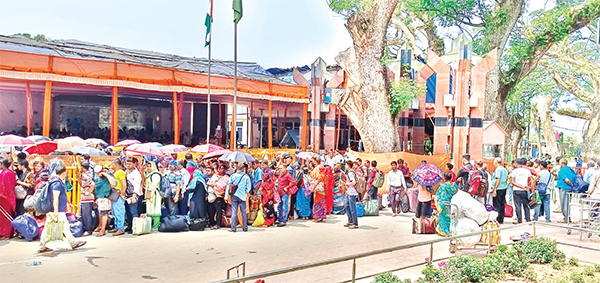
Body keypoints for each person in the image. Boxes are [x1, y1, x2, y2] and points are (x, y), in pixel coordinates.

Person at [38, 163, 86, 253]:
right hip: (57, 210)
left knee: (50, 227)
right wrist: (56, 210)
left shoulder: (54, 182)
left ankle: (42, 245)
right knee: (64, 226)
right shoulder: (57, 184)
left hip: (55, 210)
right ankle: (73, 242)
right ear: (64, 172)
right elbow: (56, 197)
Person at [225, 163, 251, 232]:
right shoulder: (246, 177)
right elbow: (248, 188)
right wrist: (245, 192)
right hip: (243, 196)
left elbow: (228, 185)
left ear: (236, 168)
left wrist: (226, 196)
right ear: (243, 169)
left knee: (234, 211)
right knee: (243, 212)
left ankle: (233, 228)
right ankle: (245, 227)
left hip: (234, 196)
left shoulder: (233, 176)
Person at [509, 158, 533, 223]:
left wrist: (521, 186)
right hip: (525, 190)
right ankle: (528, 219)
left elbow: (513, 182)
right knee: (526, 205)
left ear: (517, 164)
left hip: (516, 190)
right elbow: (532, 181)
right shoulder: (527, 171)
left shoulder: (514, 171)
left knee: (518, 205)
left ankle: (519, 219)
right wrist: (531, 189)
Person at [93, 165, 115, 237]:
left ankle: (103, 230)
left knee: (104, 213)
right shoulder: (96, 177)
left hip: (104, 197)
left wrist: (106, 175)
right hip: (98, 197)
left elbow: (113, 183)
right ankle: (100, 226)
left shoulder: (108, 175)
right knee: (100, 213)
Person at [435, 172, 458, 236]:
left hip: (443, 204)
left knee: (443, 217)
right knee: (451, 218)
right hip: (453, 204)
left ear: (444, 178)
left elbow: (438, 195)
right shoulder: (454, 184)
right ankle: (450, 231)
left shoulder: (443, 186)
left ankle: (444, 231)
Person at [109, 159, 127, 236]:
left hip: (118, 194)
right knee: (115, 211)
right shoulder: (116, 172)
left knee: (119, 211)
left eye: (113, 164)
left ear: (115, 164)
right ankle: (117, 227)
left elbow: (124, 184)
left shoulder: (121, 172)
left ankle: (120, 228)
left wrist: (122, 193)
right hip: (115, 194)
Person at [125, 157, 142, 233]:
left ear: (134, 164)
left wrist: (134, 196)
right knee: (128, 212)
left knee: (133, 211)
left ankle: (135, 227)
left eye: (130, 163)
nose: (128, 165)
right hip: (127, 194)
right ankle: (130, 226)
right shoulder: (126, 171)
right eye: (127, 163)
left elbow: (137, 185)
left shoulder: (136, 173)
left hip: (133, 194)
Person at [0, 159, 16, 239]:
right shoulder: (10, 172)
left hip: (4, 197)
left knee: (5, 217)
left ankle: (6, 234)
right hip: (8, 196)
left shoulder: (6, 173)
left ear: (3, 164)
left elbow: (5, 187)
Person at [556, 158, 576, 223]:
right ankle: (568, 217)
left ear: (561, 163)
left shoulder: (562, 170)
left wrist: (570, 184)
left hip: (564, 188)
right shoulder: (571, 169)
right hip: (570, 188)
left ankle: (566, 218)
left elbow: (566, 180)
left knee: (564, 204)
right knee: (568, 203)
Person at [143, 162, 162, 229]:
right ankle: (151, 225)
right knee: (150, 209)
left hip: (154, 194)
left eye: (149, 166)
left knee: (156, 209)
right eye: (147, 166)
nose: (148, 168)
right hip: (149, 193)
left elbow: (154, 186)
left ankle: (156, 226)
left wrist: (151, 195)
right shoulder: (149, 175)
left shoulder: (155, 175)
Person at [79, 161, 96, 236]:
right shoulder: (84, 175)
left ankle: (88, 230)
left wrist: (89, 192)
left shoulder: (87, 175)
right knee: (84, 214)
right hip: (84, 197)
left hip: (87, 198)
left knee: (86, 214)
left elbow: (92, 184)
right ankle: (86, 228)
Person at [491, 158, 508, 224]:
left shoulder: (498, 169)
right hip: (504, 188)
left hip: (498, 188)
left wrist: (495, 189)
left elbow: (498, 179)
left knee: (497, 204)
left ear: (496, 163)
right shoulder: (504, 169)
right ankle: (501, 219)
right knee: (502, 204)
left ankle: (497, 219)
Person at [344, 160, 359, 229]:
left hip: (352, 192)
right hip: (348, 192)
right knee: (347, 206)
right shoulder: (350, 172)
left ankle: (355, 223)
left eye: (346, 165)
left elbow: (354, 182)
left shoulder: (350, 173)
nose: (345, 166)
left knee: (352, 208)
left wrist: (348, 184)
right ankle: (350, 220)